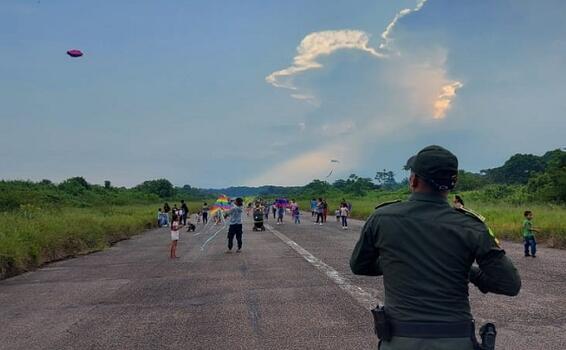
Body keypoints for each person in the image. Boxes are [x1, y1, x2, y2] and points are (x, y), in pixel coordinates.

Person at [350, 145, 521, 350]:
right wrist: (469, 272)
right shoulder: (471, 226)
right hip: (456, 340)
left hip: (400, 340)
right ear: (452, 184)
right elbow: (510, 284)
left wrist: (396, 263)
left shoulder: (382, 218)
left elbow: (359, 266)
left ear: (413, 180)